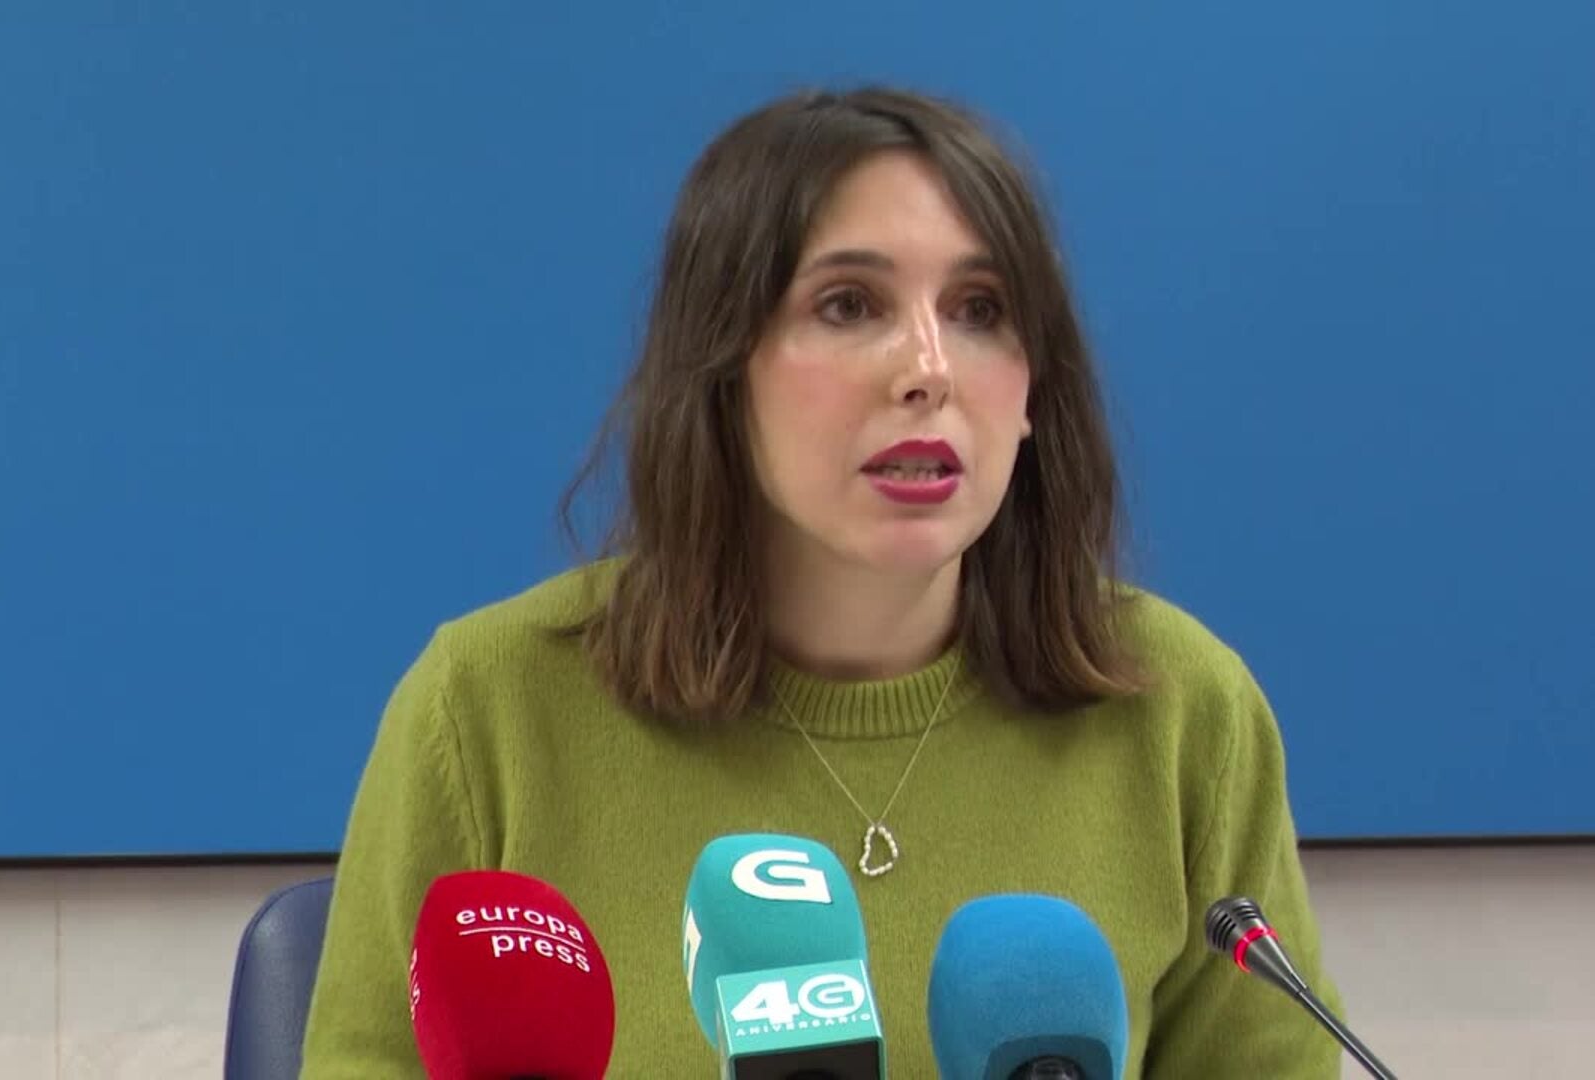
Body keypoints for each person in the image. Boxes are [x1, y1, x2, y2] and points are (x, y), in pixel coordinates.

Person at [300, 85, 1343, 1077]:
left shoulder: (1182, 712)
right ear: (722, 367)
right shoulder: (489, 710)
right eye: (849, 304)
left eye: (981, 309)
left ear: (1035, 389)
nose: (928, 368)